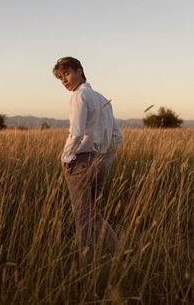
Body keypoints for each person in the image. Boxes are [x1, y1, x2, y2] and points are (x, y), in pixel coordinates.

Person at [52, 57, 123, 267]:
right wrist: (105, 160)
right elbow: (118, 137)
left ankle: (85, 266)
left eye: (66, 74)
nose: (63, 80)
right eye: (59, 77)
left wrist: (65, 159)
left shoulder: (78, 96)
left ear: (79, 71)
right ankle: (119, 252)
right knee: (93, 214)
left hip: (80, 163)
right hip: (100, 162)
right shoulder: (102, 98)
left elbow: (75, 133)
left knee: (82, 217)